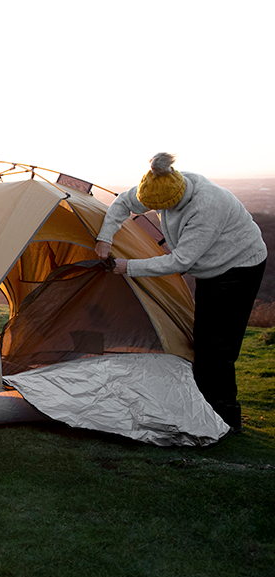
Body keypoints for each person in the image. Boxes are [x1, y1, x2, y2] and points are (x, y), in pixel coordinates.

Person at [95, 153, 267, 433]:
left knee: (216, 346)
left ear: (176, 200)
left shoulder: (207, 206)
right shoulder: (159, 183)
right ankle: (201, 404)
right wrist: (105, 236)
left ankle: (225, 419)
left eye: (161, 209)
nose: (158, 213)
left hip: (239, 267)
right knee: (203, 337)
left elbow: (180, 262)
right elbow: (124, 202)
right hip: (210, 267)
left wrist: (129, 266)